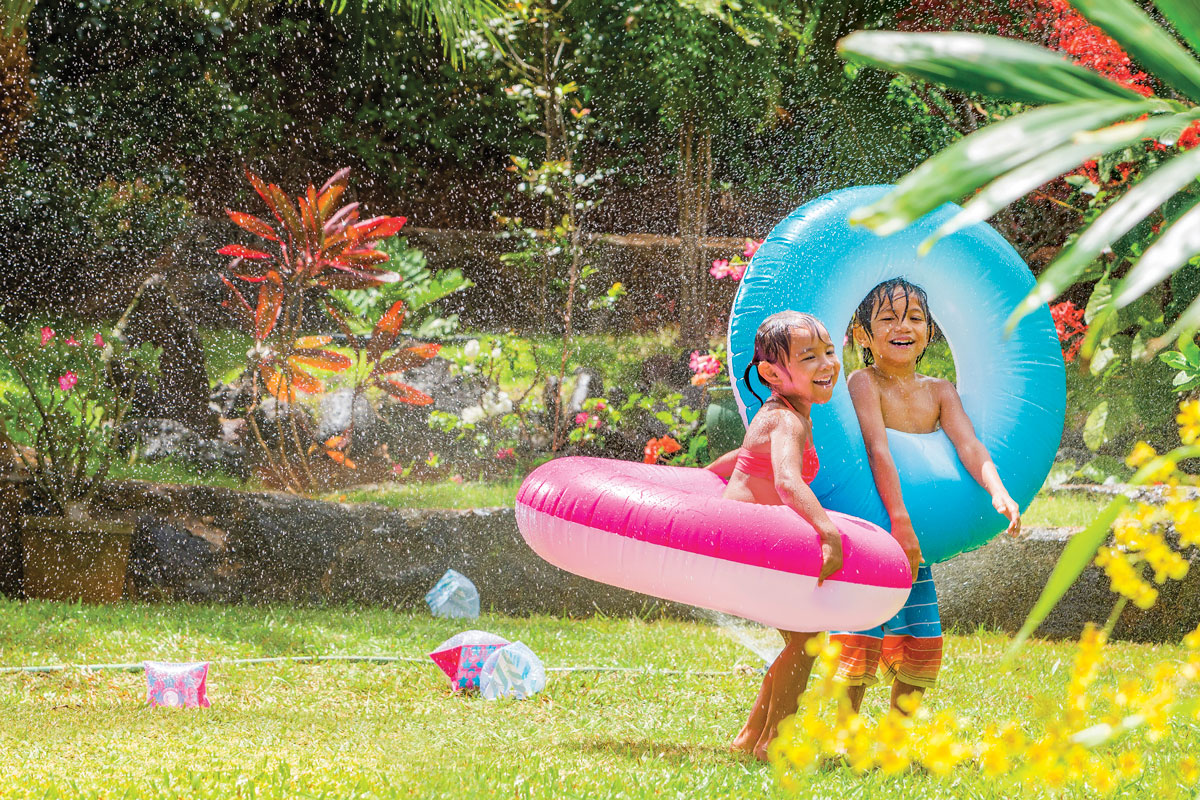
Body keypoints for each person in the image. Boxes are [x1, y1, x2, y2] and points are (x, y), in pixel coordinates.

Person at [831, 278, 1021, 715]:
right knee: (862, 630)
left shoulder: (940, 390)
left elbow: (969, 445)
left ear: (931, 331)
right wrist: (899, 523)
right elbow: (878, 449)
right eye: (888, 318)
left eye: (915, 318)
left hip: (918, 536)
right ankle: (845, 731)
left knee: (920, 632)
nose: (904, 327)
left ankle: (895, 737)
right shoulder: (864, 383)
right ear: (863, 334)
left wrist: (998, 490)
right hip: (881, 526)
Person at [705, 310, 844, 761]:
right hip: (745, 548)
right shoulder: (787, 419)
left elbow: (744, 456)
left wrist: (704, 478)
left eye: (828, 351)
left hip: (749, 545)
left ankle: (751, 739)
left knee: (801, 639)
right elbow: (786, 479)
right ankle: (771, 743)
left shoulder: (780, 413)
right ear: (771, 373)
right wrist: (827, 531)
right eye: (810, 357)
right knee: (806, 639)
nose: (827, 364)